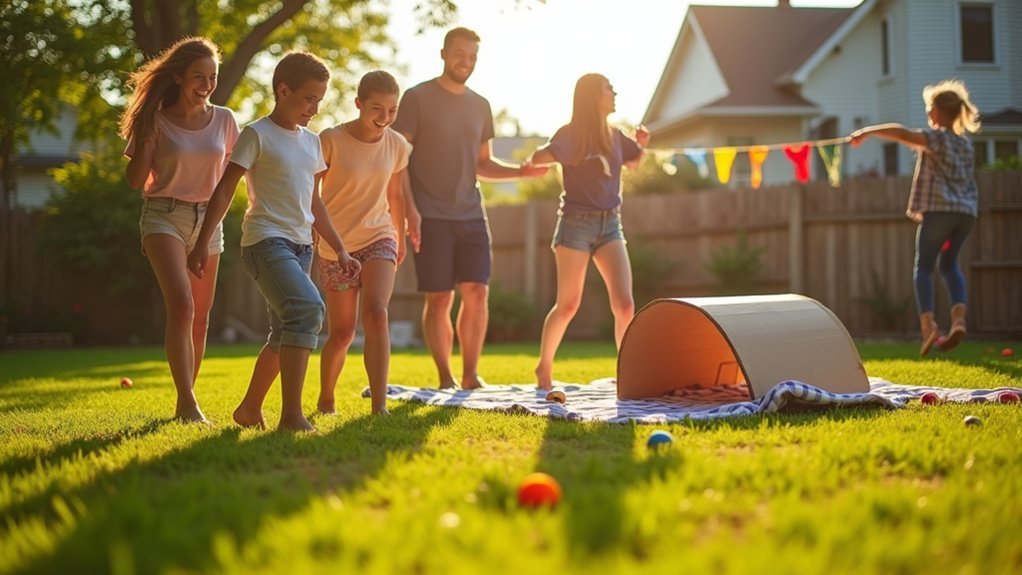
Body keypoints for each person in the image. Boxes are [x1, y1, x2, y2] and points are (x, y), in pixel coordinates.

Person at [187, 52, 357, 432]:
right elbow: (225, 189)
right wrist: (201, 242)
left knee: (283, 334)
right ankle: (292, 416)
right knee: (307, 309)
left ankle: (249, 409)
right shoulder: (257, 134)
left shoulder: (312, 142)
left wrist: (340, 248)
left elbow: (315, 203)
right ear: (283, 90)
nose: (314, 108)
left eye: (319, 100)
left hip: (302, 247)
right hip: (265, 242)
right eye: (309, 98)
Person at [391, 27, 547, 390]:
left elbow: (483, 163)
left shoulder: (481, 106)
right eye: (460, 54)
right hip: (430, 215)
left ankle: (470, 375)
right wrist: (409, 211)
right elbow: (397, 159)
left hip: (472, 214)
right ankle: (445, 376)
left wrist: (521, 172)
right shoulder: (417, 98)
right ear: (443, 54)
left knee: (478, 293)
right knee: (440, 297)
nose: (466, 62)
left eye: (473, 56)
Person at [120, 37, 240, 423]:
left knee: (201, 318)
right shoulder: (155, 120)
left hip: (209, 220)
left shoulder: (225, 120)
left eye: (212, 77)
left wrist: (206, 235)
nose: (207, 84)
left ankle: (185, 399)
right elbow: (136, 180)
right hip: (164, 216)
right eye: (198, 77)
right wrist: (146, 134)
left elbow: (230, 182)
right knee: (183, 306)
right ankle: (189, 403)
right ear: (178, 77)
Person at [525, 73, 648, 390]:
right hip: (575, 225)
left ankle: (628, 373)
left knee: (625, 305)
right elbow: (538, 158)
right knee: (568, 304)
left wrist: (642, 144)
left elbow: (634, 162)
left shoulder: (615, 136)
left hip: (610, 225)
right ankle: (543, 368)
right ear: (593, 96)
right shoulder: (571, 134)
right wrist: (554, 154)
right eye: (609, 88)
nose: (614, 92)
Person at [850, 79, 981, 356]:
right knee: (950, 265)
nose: (928, 112)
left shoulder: (937, 138)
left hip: (940, 211)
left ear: (940, 112)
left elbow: (902, 134)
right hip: (966, 214)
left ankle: (928, 326)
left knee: (924, 267)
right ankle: (959, 320)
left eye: (931, 108)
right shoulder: (965, 144)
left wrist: (866, 132)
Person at [316, 70, 411, 416]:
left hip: (379, 236)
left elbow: (396, 195)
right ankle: (326, 396)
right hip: (335, 244)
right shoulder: (330, 140)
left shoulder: (397, 145)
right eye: (377, 109)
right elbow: (311, 193)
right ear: (358, 103)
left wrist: (399, 236)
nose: (385, 117)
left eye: (392, 110)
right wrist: (315, 232)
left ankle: (379, 405)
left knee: (377, 313)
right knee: (342, 333)